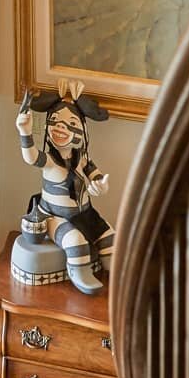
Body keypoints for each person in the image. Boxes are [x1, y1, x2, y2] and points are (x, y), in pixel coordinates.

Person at [15, 80, 115, 294]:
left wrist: (100, 185)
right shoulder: (50, 160)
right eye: (56, 121)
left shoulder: (82, 158)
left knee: (109, 234)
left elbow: (95, 175)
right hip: (54, 217)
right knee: (74, 240)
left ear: (82, 131)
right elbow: (30, 157)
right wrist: (25, 132)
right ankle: (80, 273)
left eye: (71, 123)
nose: (61, 127)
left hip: (85, 214)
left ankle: (115, 271)